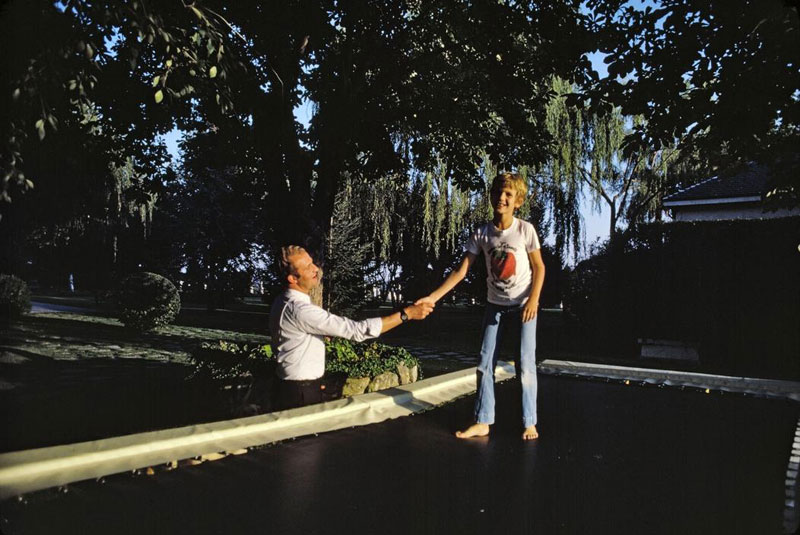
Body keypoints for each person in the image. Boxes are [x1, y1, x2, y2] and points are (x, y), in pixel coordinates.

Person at [416, 172, 545, 440]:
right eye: (498, 193)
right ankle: (483, 420)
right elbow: (461, 271)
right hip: (494, 307)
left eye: (509, 194)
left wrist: (534, 299)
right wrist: (433, 297)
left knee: (525, 364)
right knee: (485, 363)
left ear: (517, 201)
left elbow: (539, 267)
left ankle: (529, 421)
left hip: (523, 306)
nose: (502, 198)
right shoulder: (482, 233)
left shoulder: (524, 230)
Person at [269, 245, 434, 410]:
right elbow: (357, 330)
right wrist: (407, 314)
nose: (315, 269)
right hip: (301, 393)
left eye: (312, 263)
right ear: (293, 279)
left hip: (297, 387)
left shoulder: (283, 301)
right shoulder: (299, 309)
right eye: (307, 267)